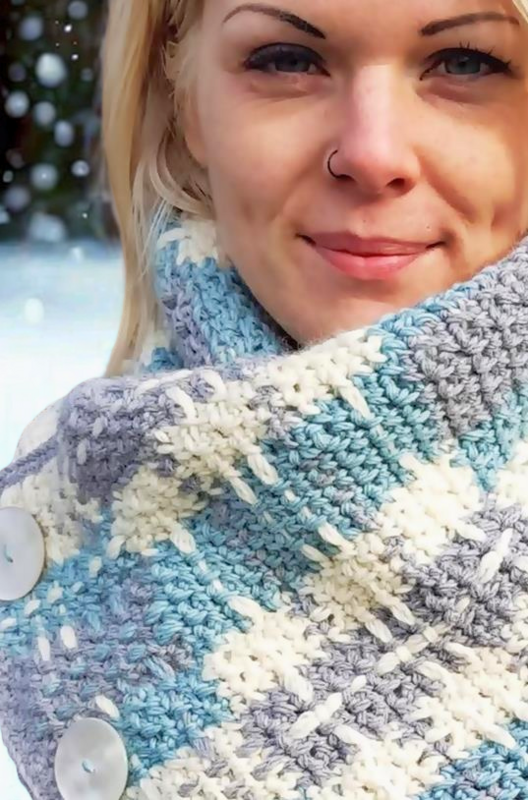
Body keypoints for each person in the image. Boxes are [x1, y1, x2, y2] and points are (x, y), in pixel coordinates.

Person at [1, 0, 528, 798]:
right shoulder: (95, 511)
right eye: (287, 60)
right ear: (185, 100)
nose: (372, 152)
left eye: (466, 62)